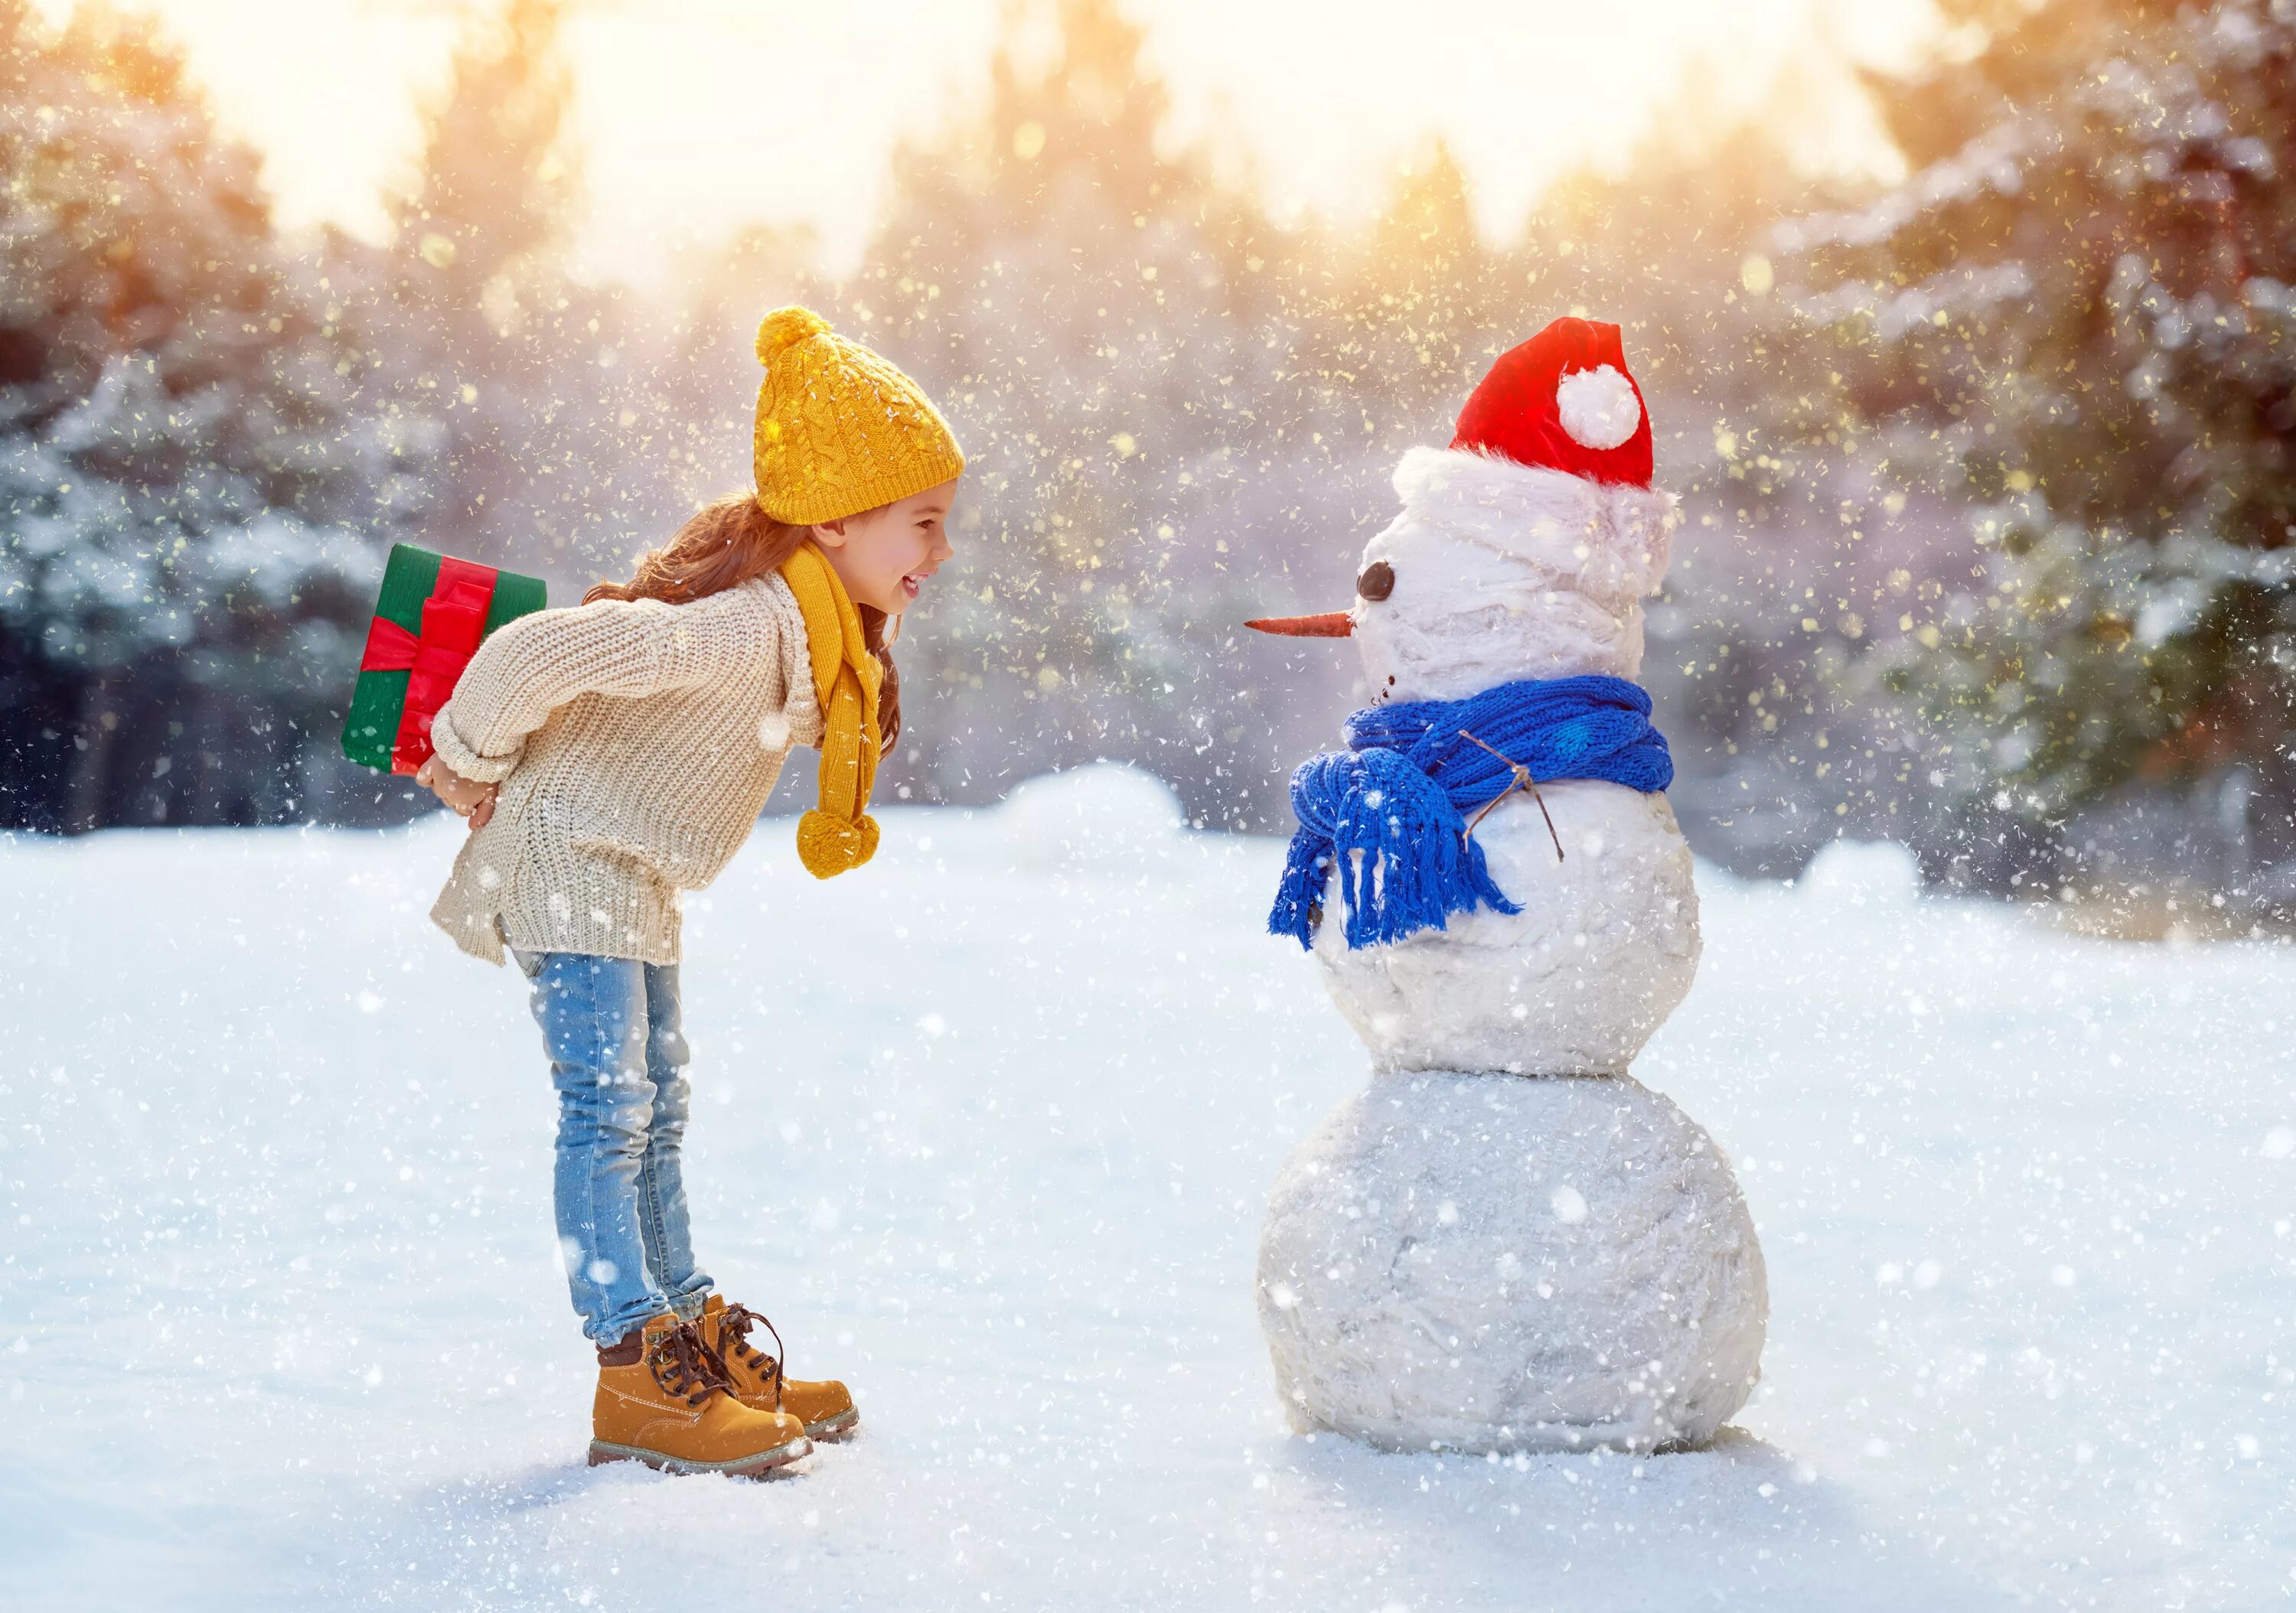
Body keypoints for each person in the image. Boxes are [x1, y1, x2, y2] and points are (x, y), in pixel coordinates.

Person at [412, 306, 962, 1476]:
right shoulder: (743, 627)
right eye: (923, 522)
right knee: (611, 1113)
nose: (941, 549)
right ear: (838, 519)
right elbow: (543, 650)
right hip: (572, 860)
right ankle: (633, 1371)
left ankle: (688, 1337)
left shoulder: (818, 635)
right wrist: (465, 755)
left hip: (634, 874)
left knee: (656, 1107)